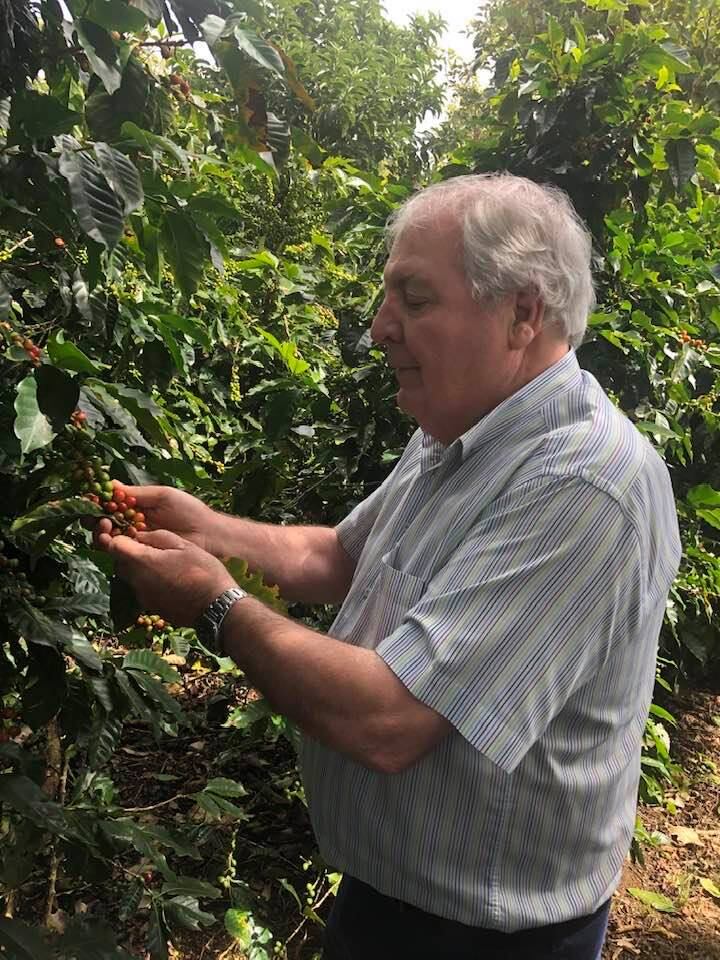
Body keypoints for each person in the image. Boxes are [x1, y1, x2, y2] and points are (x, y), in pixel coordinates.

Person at [96, 174, 681, 960]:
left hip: (486, 939)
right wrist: (207, 530)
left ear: (523, 314)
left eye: (415, 299)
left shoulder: (583, 485)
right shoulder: (457, 430)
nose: (380, 328)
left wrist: (214, 602)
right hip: (390, 901)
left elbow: (391, 720)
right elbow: (340, 555)